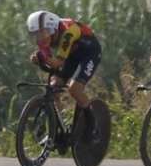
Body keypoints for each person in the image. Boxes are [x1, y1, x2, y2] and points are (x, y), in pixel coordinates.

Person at [25, 10, 102, 143]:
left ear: (52, 29)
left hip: (90, 53)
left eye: (42, 33)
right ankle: (54, 131)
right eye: (36, 35)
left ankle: (92, 123)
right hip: (72, 55)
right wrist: (40, 60)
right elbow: (50, 62)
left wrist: (44, 59)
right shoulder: (42, 40)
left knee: (74, 88)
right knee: (54, 86)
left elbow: (58, 63)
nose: (40, 39)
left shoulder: (68, 32)